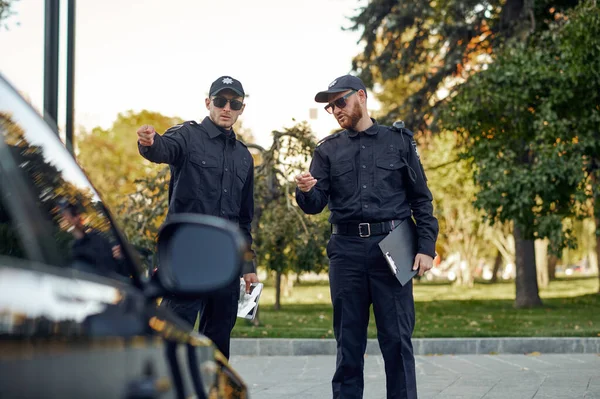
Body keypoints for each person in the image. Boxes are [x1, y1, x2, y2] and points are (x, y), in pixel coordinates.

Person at [294, 75, 438, 399]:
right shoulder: (327, 150)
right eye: (330, 107)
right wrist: (305, 191)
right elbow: (316, 205)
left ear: (361, 96)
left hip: (393, 250)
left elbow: (421, 199)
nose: (335, 110)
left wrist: (426, 247)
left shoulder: (399, 141)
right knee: (348, 345)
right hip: (345, 253)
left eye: (340, 102)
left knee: (398, 343)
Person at [136, 75, 258, 359]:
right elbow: (164, 149)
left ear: (241, 108)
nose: (226, 107)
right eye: (220, 101)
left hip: (226, 264)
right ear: (208, 103)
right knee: (173, 338)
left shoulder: (244, 157)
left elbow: (244, 220)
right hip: (187, 259)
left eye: (234, 103)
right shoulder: (187, 136)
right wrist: (150, 143)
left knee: (217, 347)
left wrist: (248, 265)